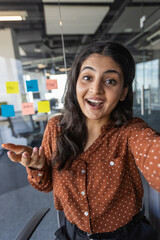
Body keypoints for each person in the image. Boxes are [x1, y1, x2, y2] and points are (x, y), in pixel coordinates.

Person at [2, 40, 160, 240]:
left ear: (124, 92)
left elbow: (153, 150)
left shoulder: (130, 132)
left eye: (110, 81)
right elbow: (45, 185)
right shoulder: (56, 129)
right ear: (75, 82)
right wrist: (37, 166)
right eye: (87, 77)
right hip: (73, 234)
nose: (96, 89)